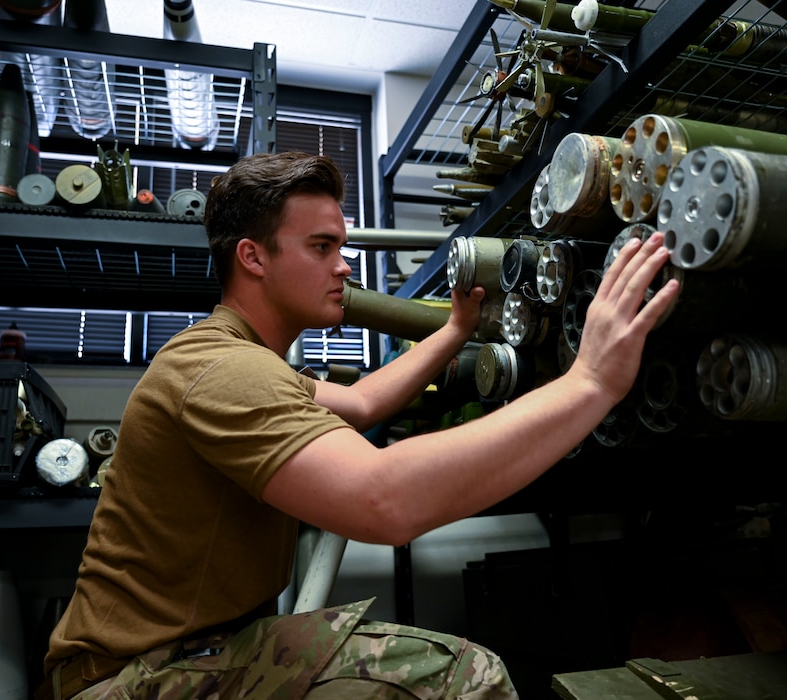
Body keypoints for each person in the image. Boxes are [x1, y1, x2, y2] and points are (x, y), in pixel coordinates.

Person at [39, 151, 680, 700]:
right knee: (462, 677)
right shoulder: (220, 370)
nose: (345, 266)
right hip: (135, 678)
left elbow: (365, 402)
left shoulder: (241, 359)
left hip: (194, 653)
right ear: (252, 258)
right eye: (322, 247)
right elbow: (384, 501)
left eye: (340, 247)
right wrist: (591, 381)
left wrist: (455, 330)